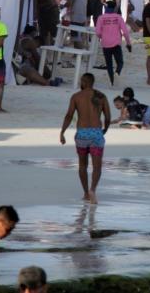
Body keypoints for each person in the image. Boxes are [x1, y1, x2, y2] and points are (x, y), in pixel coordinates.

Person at [59, 73, 111, 203]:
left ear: (83, 82)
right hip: (96, 134)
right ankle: (92, 190)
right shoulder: (101, 96)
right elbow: (108, 116)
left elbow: (69, 115)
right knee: (97, 166)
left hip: (82, 134)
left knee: (83, 165)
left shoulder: (76, 97)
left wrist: (62, 132)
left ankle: (85, 193)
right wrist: (105, 129)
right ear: (92, 82)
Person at [94, 1, 131, 86]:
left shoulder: (101, 18)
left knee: (109, 64)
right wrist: (128, 43)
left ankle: (112, 81)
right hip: (116, 43)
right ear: (115, 8)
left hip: (105, 44)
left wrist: (101, 37)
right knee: (120, 62)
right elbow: (125, 32)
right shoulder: (118, 17)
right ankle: (117, 73)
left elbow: (98, 32)